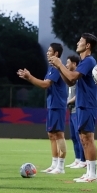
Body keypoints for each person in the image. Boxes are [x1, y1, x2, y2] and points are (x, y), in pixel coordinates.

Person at [48, 35, 97, 183]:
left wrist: (59, 64)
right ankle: (89, 172)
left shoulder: (89, 60)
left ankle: (93, 174)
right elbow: (70, 81)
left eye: (81, 41)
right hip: (82, 104)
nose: (77, 43)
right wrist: (59, 66)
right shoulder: (84, 61)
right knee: (84, 138)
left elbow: (72, 75)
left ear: (88, 45)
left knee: (88, 138)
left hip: (87, 104)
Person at [17, 43, 68, 173]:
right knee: (51, 134)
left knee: (59, 133)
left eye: (50, 51)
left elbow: (45, 85)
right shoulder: (51, 67)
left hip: (57, 105)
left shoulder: (57, 67)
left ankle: (61, 166)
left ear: (56, 54)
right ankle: (54, 164)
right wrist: (29, 78)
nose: (47, 52)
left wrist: (30, 77)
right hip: (52, 104)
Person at [64, 56, 85, 169]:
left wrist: (67, 102)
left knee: (79, 137)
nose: (66, 65)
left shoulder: (77, 77)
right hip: (72, 110)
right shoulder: (70, 78)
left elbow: (78, 96)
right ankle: (77, 159)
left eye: (68, 62)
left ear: (74, 64)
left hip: (77, 110)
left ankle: (83, 160)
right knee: (73, 136)